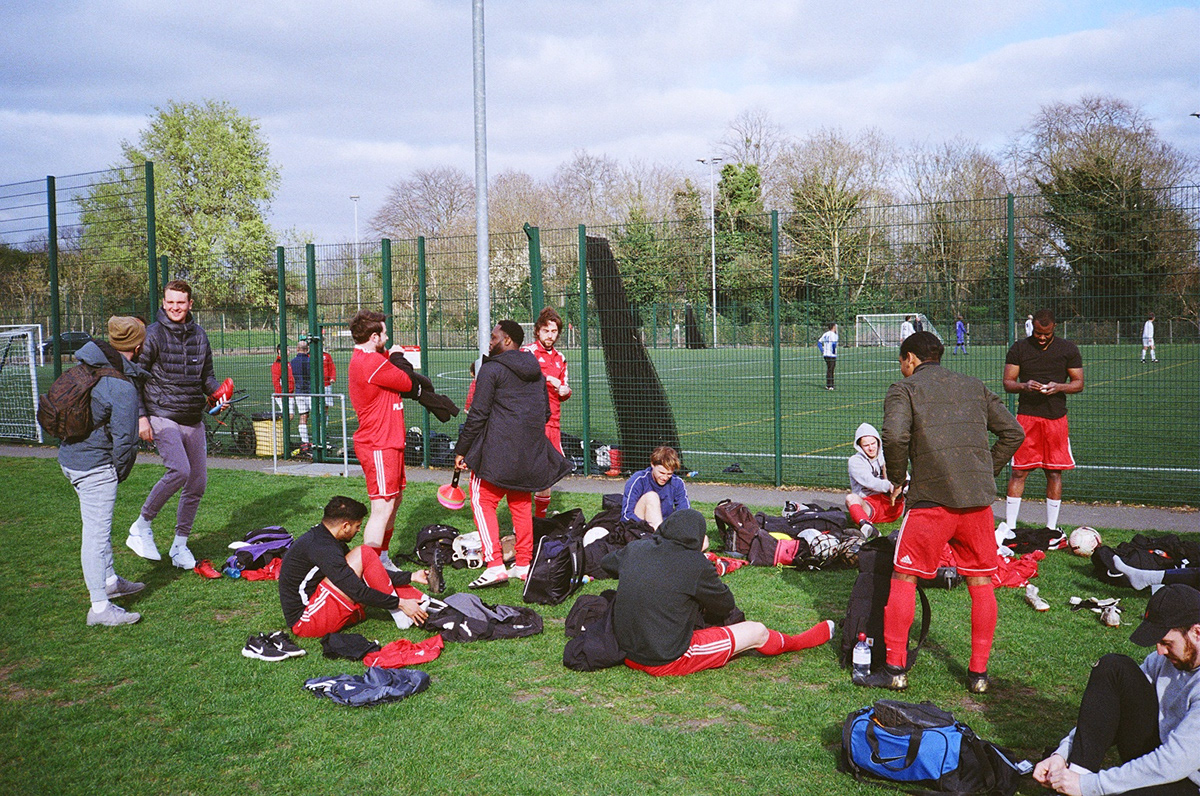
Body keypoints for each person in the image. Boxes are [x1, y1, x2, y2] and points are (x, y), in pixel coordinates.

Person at [861, 331, 1024, 693]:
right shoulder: (973, 385)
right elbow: (1013, 433)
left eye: (902, 361)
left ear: (910, 359)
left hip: (930, 501)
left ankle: (895, 669)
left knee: (904, 577)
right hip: (977, 503)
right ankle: (978, 676)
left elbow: (894, 435)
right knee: (981, 582)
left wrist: (899, 478)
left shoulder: (904, 388)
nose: (901, 368)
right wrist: (986, 470)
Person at [601, 508, 835, 676]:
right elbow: (725, 605)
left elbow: (606, 563)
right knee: (757, 632)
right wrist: (699, 556)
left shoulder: (636, 549)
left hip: (628, 650)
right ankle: (796, 642)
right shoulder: (694, 563)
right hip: (665, 658)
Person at [1033, 584, 1200, 796]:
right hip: (1162, 752)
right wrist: (1062, 755)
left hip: (1189, 780)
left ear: (1197, 632)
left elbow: (1175, 762)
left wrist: (1089, 786)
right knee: (1113, 668)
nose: (1159, 651)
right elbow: (1110, 710)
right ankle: (1073, 777)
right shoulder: (1166, 659)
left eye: (1167, 642)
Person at [453, 320, 573, 588]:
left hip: (497, 453)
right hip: (529, 454)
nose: (489, 341)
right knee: (520, 506)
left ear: (507, 341)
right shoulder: (537, 372)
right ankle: (523, 564)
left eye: (494, 336)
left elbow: (478, 415)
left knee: (481, 500)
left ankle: (494, 565)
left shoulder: (491, 370)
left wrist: (462, 450)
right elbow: (545, 413)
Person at [126, 280, 225, 570]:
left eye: (180, 302)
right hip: (161, 414)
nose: (174, 307)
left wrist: (218, 393)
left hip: (193, 416)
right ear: (164, 302)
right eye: (170, 302)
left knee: (197, 483)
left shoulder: (200, 335)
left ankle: (180, 546)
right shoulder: (152, 335)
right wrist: (142, 418)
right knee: (180, 470)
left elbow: (207, 377)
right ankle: (141, 525)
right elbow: (136, 379)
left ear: (190, 304)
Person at [59, 317, 149, 626]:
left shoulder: (88, 364)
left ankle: (110, 580)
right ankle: (100, 608)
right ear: (137, 347)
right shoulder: (121, 387)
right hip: (93, 467)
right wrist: (117, 472)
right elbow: (126, 441)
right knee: (95, 537)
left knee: (98, 528)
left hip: (69, 458)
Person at [278, 495, 429, 638]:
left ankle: (417, 602)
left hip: (318, 604)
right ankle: (401, 614)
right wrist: (400, 604)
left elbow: (367, 573)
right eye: (357, 526)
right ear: (345, 526)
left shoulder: (326, 536)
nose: (358, 530)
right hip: (305, 621)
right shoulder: (322, 547)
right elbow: (357, 591)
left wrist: (411, 576)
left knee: (365, 557)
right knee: (364, 553)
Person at [1002, 309, 1085, 532]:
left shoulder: (1068, 349)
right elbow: (1008, 382)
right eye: (1038, 333)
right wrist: (1024, 385)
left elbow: (1078, 383)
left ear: (1054, 328)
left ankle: (1051, 529)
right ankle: (1010, 528)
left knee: (1054, 472)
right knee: (1019, 471)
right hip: (1027, 417)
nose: (1041, 337)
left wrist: (1059, 387)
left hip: (1055, 418)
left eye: (1045, 334)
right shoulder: (1020, 348)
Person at [346, 310, 412, 571]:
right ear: (374, 337)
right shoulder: (370, 362)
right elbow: (406, 381)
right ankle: (370, 569)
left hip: (390, 442)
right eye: (384, 333)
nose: (387, 337)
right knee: (381, 507)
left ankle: (382, 558)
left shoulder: (372, 358)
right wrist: (396, 355)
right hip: (378, 444)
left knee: (394, 502)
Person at [523, 307, 572, 518]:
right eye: (546, 331)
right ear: (537, 331)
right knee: (527, 470)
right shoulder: (528, 352)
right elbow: (520, 380)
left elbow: (565, 389)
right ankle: (522, 519)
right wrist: (546, 379)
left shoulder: (560, 358)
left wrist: (564, 389)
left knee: (549, 471)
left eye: (553, 331)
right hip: (531, 421)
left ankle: (540, 518)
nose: (550, 336)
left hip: (553, 421)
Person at [844, 423, 904, 539]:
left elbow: (903, 476)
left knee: (889, 463)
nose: (871, 448)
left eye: (873, 443)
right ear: (859, 446)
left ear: (878, 442)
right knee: (850, 498)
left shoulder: (885, 455)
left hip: (890, 504)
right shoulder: (855, 461)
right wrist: (892, 486)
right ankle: (867, 527)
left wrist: (902, 485)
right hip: (869, 508)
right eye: (866, 445)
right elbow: (870, 482)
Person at [621, 445, 690, 530]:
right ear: (652, 464)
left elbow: (684, 512)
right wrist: (647, 528)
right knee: (651, 497)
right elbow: (626, 515)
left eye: (669, 474)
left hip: (666, 529)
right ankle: (658, 537)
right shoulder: (638, 480)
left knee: (703, 539)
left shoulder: (677, 483)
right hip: (640, 527)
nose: (665, 478)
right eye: (661, 472)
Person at [290, 339, 312, 452]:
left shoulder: (292, 362)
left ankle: (305, 442)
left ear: (297, 349)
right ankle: (319, 440)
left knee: (303, 416)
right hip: (311, 393)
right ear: (307, 349)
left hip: (299, 393)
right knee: (317, 416)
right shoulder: (311, 361)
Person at [271, 345, 294, 415]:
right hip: (283, 394)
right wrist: (280, 394)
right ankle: (277, 425)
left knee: (289, 415)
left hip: (289, 393)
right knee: (288, 415)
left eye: (289, 350)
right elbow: (276, 381)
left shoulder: (287, 363)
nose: (289, 352)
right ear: (279, 351)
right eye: (287, 350)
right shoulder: (277, 364)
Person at [817, 322, 838, 390]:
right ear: (833, 327)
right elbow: (834, 344)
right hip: (831, 354)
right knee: (831, 369)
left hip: (825, 354)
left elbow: (819, 342)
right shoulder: (834, 335)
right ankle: (830, 386)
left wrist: (822, 350)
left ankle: (828, 385)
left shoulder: (825, 334)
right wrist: (834, 352)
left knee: (829, 369)